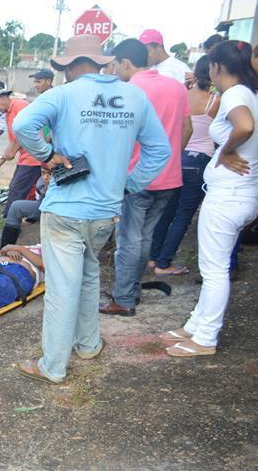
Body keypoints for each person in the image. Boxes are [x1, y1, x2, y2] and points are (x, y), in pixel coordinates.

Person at [12, 34, 170, 384]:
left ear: (67, 67)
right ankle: (88, 344)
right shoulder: (135, 96)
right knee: (87, 273)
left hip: (66, 209)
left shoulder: (64, 94)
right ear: (101, 62)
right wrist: (130, 183)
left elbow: (22, 125)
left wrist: (45, 155)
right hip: (105, 212)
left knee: (62, 288)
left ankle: (52, 366)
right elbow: (160, 151)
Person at [163, 40, 258, 358]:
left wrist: (227, 150)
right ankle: (195, 325)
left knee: (214, 270)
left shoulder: (236, 94)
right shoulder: (248, 93)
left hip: (229, 196)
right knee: (213, 264)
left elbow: (245, 126)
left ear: (216, 68)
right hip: (238, 194)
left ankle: (205, 337)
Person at [101, 39, 192, 317]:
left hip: (136, 178)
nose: (113, 70)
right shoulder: (176, 88)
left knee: (129, 240)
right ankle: (131, 290)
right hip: (169, 177)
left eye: (115, 65)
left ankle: (124, 298)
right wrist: (170, 159)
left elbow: (115, 138)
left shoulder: (128, 91)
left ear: (125, 63)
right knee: (145, 239)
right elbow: (186, 128)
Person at [149, 56, 219, 276]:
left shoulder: (181, 94)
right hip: (199, 162)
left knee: (166, 212)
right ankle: (164, 263)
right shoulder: (215, 101)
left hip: (177, 158)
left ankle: (153, 258)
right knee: (183, 216)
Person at [0, 88, 43, 215]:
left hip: (33, 156)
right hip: (26, 156)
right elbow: (14, 140)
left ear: (3, 97)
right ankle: (30, 216)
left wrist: (8, 155)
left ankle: (9, 222)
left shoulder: (19, 105)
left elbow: (22, 132)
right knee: (24, 189)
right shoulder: (8, 112)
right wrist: (0, 162)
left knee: (16, 190)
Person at [0, 169, 50, 247]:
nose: (46, 177)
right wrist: (31, 219)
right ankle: (5, 251)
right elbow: (41, 203)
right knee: (16, 207)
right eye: (43, 173)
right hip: (45, 208)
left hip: (64, 213)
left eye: (50, 173)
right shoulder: (41, 183)